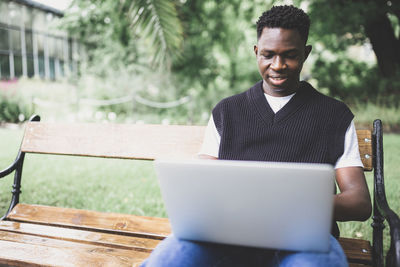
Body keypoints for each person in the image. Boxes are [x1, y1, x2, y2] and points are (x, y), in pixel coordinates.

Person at [142, 5, 371, 267]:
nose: (278, 65)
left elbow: (360, 202)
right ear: (256, 52)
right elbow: (204, 188)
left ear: (306, 54)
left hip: (304, 239)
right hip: (229, 235)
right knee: (170, 259)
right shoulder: (227, 112)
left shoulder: (334, 115)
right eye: (268, 55)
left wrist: (294, 205)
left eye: (290, 55)